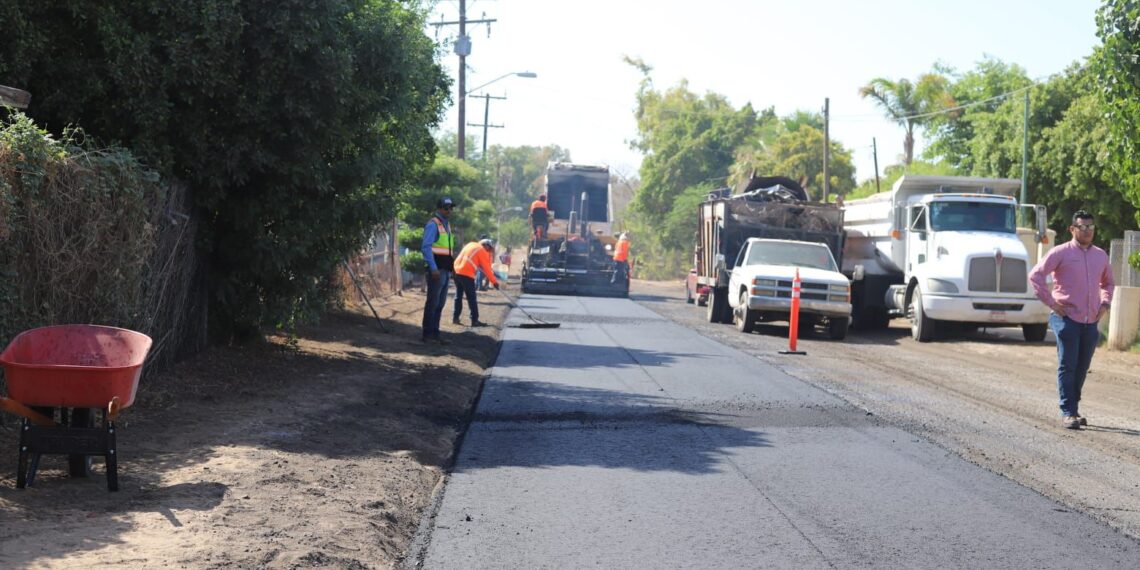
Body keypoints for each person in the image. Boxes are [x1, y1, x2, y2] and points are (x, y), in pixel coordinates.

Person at [1028, 210, 1114, 430]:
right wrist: (1052, 303)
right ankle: (1067, 412)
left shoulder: (1100, 255)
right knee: (1068, 365)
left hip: (1090, 320)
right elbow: (1036, 275)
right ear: (1072, 229)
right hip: (1066, 318)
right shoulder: (1060, 253)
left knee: (1082, 366)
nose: (1087, 231)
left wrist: (1104, 304)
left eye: (1090, 227)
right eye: (1082, 227)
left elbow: (1108, 284)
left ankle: (1073, 409)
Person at [420, 198, 456, 344]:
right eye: (447, 208)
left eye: (451, 208)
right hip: (437, 270)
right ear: (440, 208)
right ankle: (427, 334)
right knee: (433, 302)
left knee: (440, 303)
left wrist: (451, 269)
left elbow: (447, 250)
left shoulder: (446, 225)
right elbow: (426, 247)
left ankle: (435, 333)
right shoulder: (433, 224)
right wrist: (433, 268)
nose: (449, 210)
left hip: (445, 270)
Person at [452, 238, 500, 327]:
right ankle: (474, 320)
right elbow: (487, 269)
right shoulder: (481, 250)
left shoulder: (470, 244)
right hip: (466, 273)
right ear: (485, 245)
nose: (488, 251)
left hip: (456, 271)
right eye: (489, 249)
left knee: (458, 296)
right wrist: (494, 282)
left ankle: (455, 318)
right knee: (472, 298)